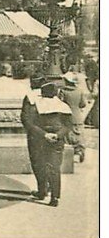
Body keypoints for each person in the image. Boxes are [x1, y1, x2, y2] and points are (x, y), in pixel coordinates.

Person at [21, 79, 73, 207]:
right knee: (54, 167)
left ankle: (42, 190)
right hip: (57, 140)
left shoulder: (35, 103)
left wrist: (44, 135)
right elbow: (68, 125)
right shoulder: (62, 105)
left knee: (39, 164)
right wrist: (58, 135)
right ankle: (55, 196)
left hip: (40, 139)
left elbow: (29, 121)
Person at [59, 72, 88, 163]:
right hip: (78, 116)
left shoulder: (63, 91)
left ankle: (69, 153)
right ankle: (79, 151)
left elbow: (60, 103)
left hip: (66, 116)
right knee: (78, 134)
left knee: (68, 135)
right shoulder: (79, 91)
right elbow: (83, 104)